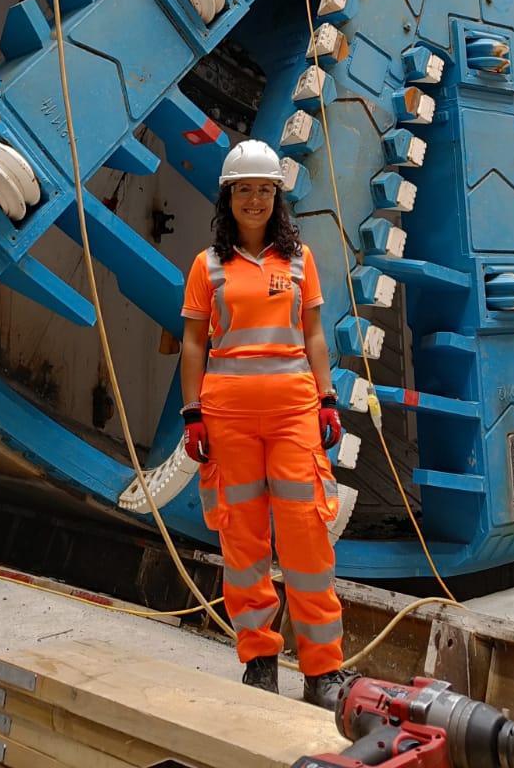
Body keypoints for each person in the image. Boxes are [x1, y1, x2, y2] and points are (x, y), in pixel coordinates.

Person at [180, 139, 351, 708]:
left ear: (278, 198)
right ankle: (259, 661)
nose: (254, 200)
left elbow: (315, 334)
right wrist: (193, 413)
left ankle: (322, 671)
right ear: (228, 197)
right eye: (244, 190)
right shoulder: (207, 267)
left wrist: (327, 398)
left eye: (264, 190)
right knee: (243, 540)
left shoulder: (300, 261)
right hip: (227, 415)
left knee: (306, 535)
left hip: (293, 411)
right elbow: (192, 343)